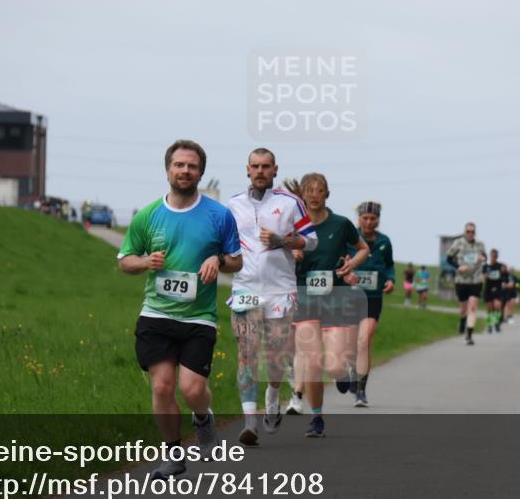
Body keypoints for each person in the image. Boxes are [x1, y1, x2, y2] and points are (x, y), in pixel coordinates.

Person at [117, 140, 243, 478]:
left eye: (191, 166)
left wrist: (218, 259)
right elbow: (124, 261)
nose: (185, 170)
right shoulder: (148, 215)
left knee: (192, 389)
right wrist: (143, 262)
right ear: (168, 169)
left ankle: (203, 418)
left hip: (198, 317)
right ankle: (173, 455)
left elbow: (237, 260)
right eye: (179, 165)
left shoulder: (219, 215)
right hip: (156, 314)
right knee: (161, 386)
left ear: (200, 172)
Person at [227, 148, 316, 445]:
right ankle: (250, 422)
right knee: (247, 355)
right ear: (247, 170)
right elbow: (223, 244)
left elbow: (311, 240)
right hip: (245, 289)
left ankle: (274, 394)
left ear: (275, 170)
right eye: (255, 166)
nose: (261, 171)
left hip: (280, 290)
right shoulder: (233, 205)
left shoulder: (291, 203)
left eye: (266, 166)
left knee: (276, 358)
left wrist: (283, 240)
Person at [291, 173, 369, 438]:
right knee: (312, 361)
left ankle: (343, 373)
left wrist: (352, 264)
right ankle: (316, 417)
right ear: (302, 195)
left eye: (319, 190)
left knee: (334, 365)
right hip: (303, 298)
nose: (314, 194)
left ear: (327, 194)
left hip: (336, 298)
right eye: (309, 190)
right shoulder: (291, 226)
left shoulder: (341, 223)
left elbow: (363, 248)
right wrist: (290, 253)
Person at [345, 201, 395, 407]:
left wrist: (391, 280)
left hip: (373, 297)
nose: (368, 222)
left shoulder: (384, 241)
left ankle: (361, 391)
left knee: (364, 341)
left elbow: (389, 264)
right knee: (349, 344)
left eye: (372, 218)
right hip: (350, 297)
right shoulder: (350, 238)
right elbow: (340, 261)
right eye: (365, 218)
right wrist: (347, 274)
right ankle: (349, 372)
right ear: (359, 218)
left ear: (378, 220)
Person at [445, 222, 487, 345]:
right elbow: (448, 258)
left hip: (476, 279)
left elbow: (485, 256)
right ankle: (463, 319)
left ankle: (469, 335)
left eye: (472, 231)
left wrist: (483, 258)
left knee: (472, 307)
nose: (470, 234)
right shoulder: (458, 243)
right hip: (461, 280)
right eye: (468, 231)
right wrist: (458, 267)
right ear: (464, 232)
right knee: (463, 309)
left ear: (475, 233)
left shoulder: (480, 244)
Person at [482, 248, 506, 334]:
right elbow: (484, 276)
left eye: (495, 256)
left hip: (498, 288)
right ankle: (489, 324)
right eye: (492, 256)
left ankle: (496, 323)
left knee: (497, 306)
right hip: (488, 288)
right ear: (490, 256)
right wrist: (487, 275)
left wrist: (503, 272)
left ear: (497, 257)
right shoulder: (486, 266)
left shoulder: (500, 266)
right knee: (489, 308)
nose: (494, 257)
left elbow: (505, 276)